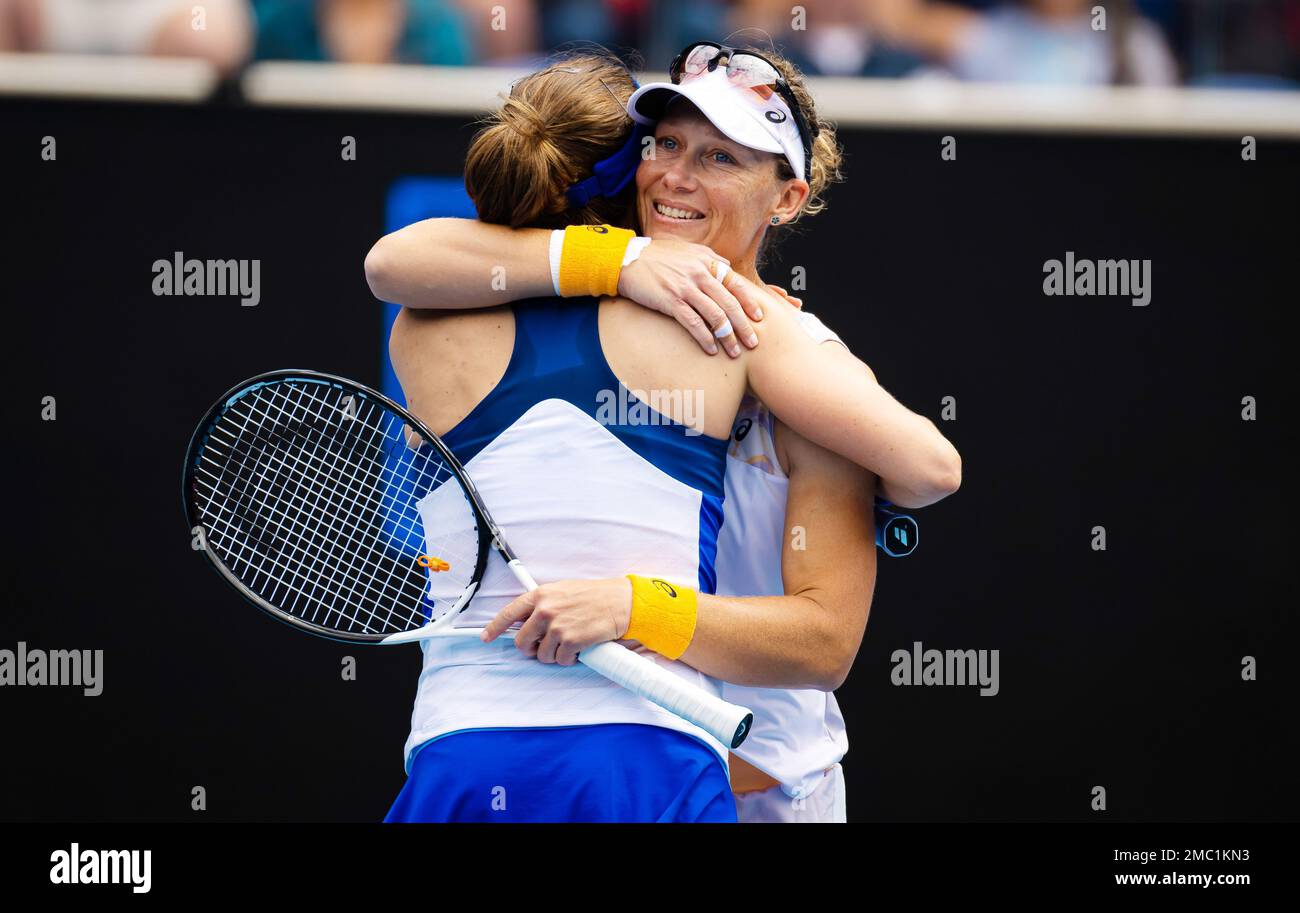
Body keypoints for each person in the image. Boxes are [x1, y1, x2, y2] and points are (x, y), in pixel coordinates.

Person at [369, 48, 961, 822]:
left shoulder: (793, 349)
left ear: (786, 198)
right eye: (665, 145)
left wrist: (633, 608)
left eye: (720, 157)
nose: (678, 176)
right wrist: (625, 259)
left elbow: (830, 635)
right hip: (665, 768)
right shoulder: (610, 283)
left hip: (773, 790)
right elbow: (393, 261)